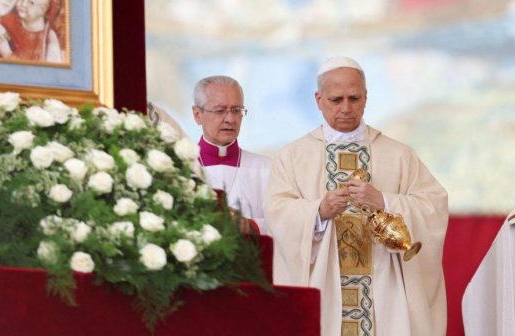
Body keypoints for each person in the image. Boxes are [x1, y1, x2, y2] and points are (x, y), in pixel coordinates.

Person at [264, 57, 448, 336]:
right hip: (325, 287)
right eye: (336, 100)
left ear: (366, 98)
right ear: (318, 99)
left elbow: (434, 205)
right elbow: (276, 211)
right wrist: (319, 211)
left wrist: (384, 201)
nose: (346, 108)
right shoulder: (293, 156)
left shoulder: (398, 154)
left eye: (354, 98)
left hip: (384, 288)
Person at [192, 75, 270, 234]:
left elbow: (288, 223)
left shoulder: (268, 168)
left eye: (236, 110)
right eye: (220, 111)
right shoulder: (179, 167)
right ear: (197, 114)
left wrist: (251, 226)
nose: (230, 119)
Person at [1, 0, 65, 63]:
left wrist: (7, 54)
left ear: (45, 9)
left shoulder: (48, 39)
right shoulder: (7, 19)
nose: (23, 4)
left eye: (31, 2)